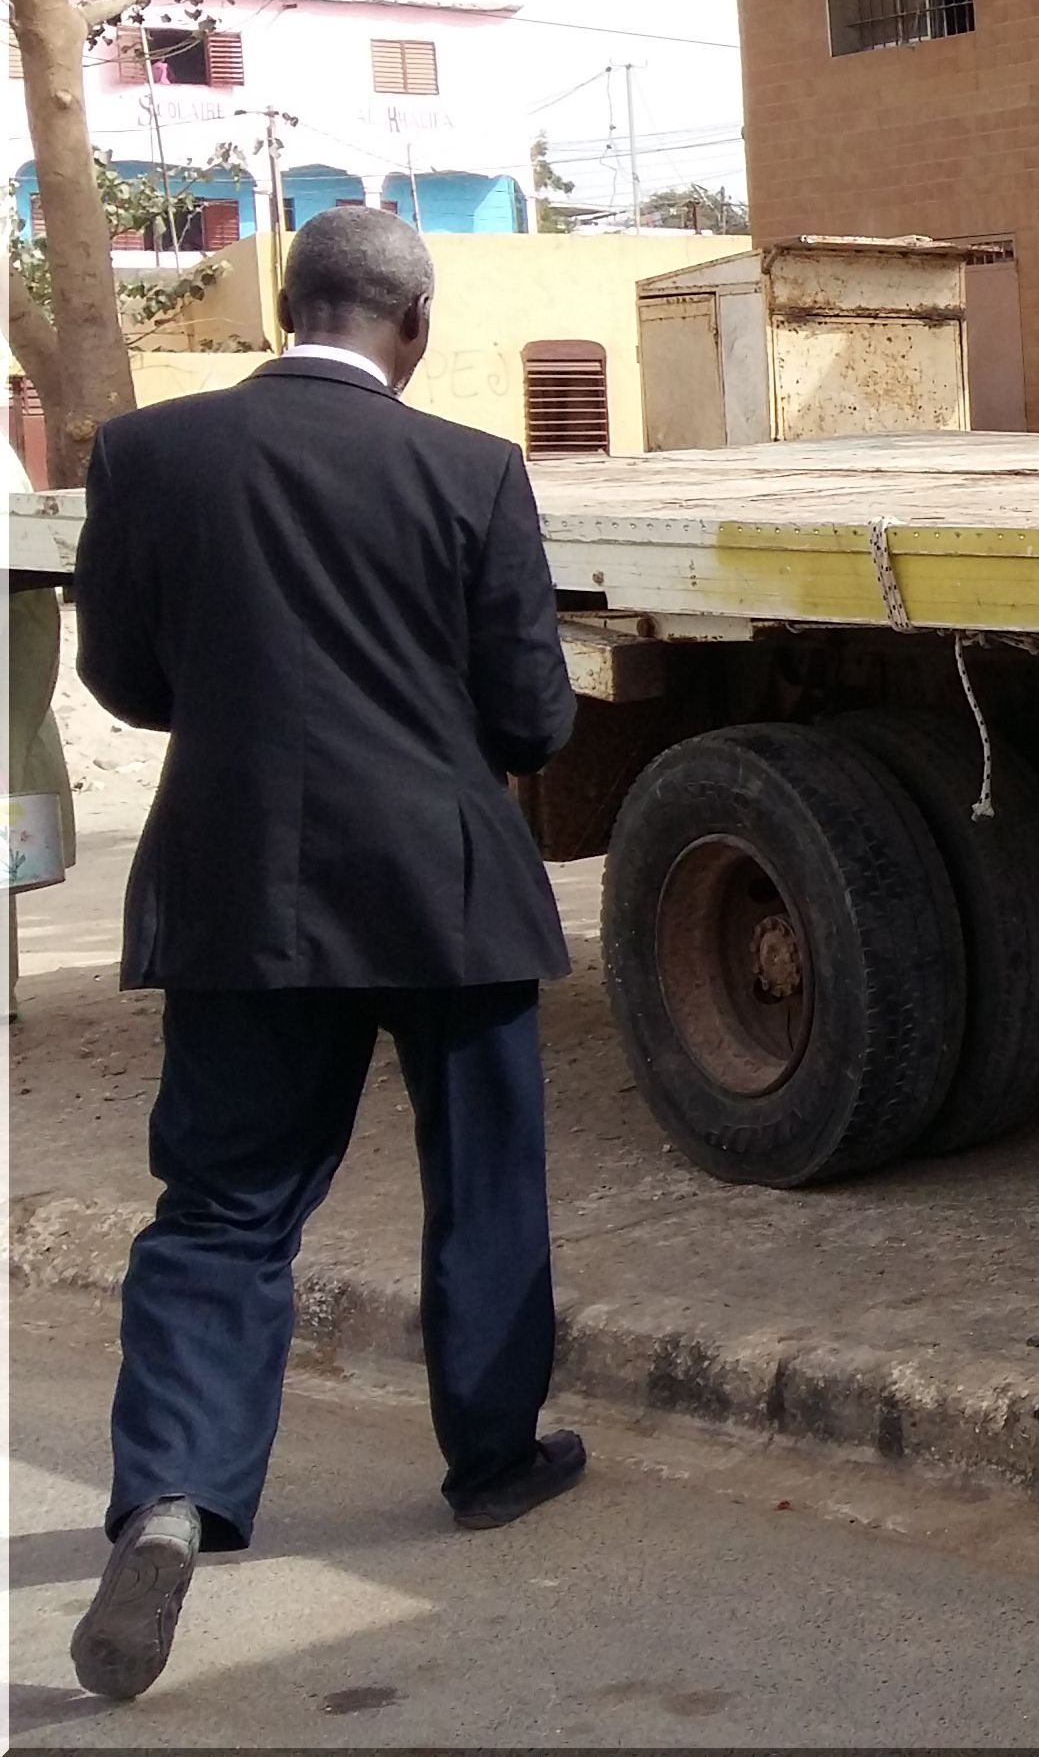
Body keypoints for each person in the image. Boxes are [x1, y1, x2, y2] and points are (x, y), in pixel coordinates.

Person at [66, 206, 591, 1703]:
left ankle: (171, 1500)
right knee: (481, 1180)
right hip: (445, 890)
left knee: (223, 1205)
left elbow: (122, 671)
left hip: (244, 891)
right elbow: (535, 715)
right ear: (410, 329)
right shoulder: (473, 469)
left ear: (284, 307)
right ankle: (493, 1460)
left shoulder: (149, 456)